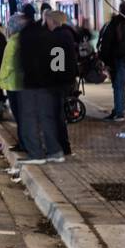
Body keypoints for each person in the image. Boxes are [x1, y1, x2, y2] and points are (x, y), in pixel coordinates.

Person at [16, 11, 64, 163]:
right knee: (47, 117)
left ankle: (36, 153)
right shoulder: (52, 36)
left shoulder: (27, 36)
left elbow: (25, 61)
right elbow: (59, 61)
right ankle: (55, 150)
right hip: (48, 84)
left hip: (32, 83)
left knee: (29, 118)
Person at [45, 10, 77, 155]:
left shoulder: (57, 37)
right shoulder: (67, 34)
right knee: (58, 114)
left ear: (54, 22)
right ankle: (62, 146)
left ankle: (62, 146)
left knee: (56, 115)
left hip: (58, 82)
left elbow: (57, 63)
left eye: (48, 21)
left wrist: (51, 79)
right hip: (65, 80)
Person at [0, 13, 30, 148]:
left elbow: (8, 63)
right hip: (23, 83)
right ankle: (24, 141)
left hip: (13, 83)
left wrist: (1, 80)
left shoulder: (13, 41)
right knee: (23, 115)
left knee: (19, 115)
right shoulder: (25, 39)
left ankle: (23, 142)